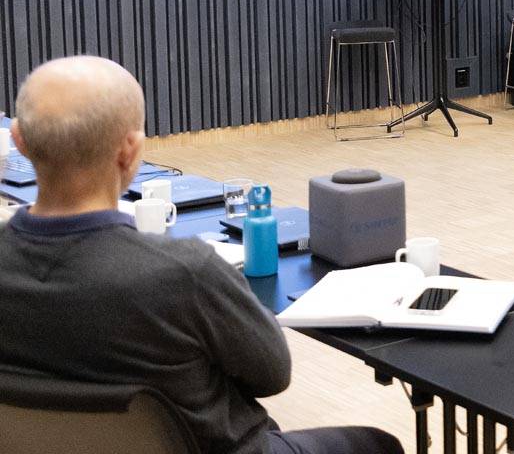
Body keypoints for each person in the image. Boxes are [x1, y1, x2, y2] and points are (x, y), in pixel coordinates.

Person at [0, 56, 403, 454]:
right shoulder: (185, 272)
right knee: (379, 444)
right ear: (129, 150)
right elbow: (272, 375)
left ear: (17, 140)